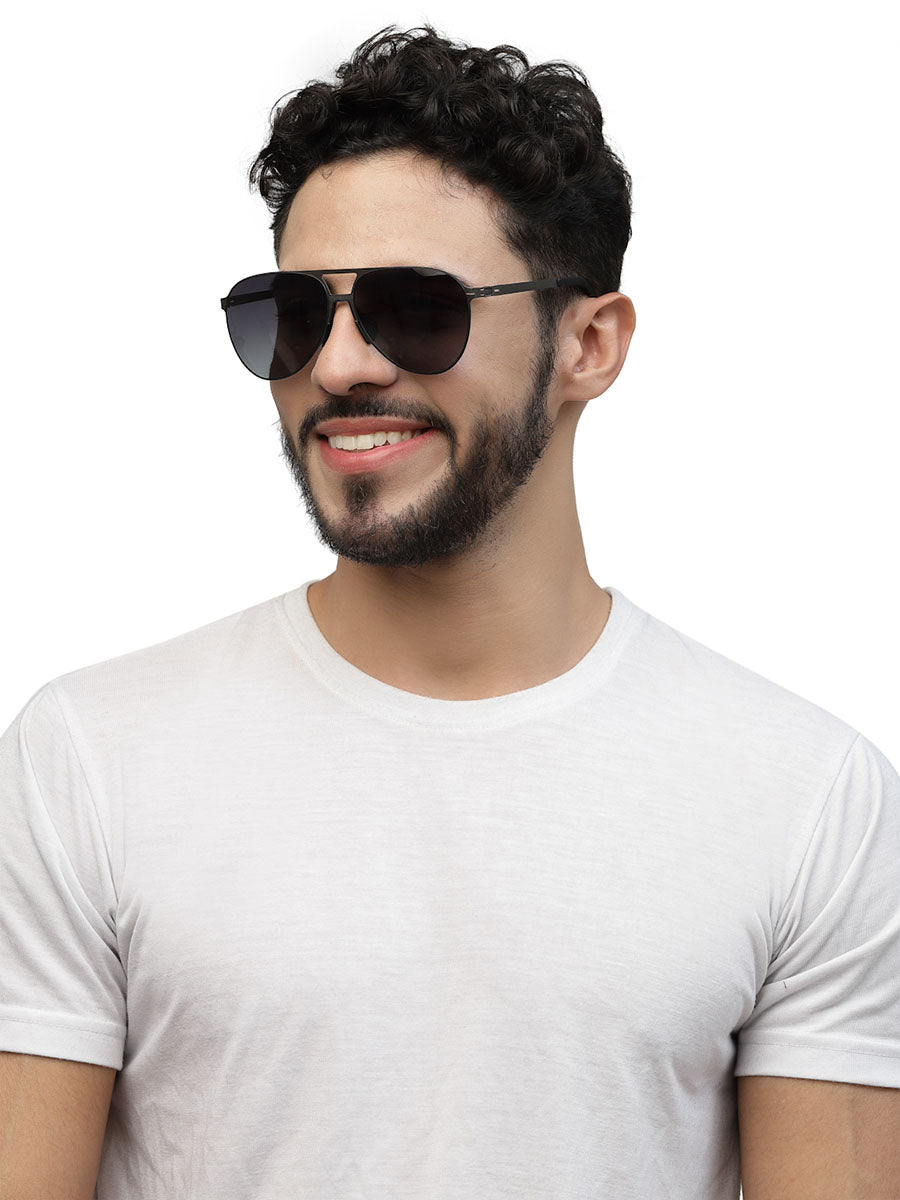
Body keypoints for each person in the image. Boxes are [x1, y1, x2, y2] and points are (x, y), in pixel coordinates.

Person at [1, 24, 898, 1200]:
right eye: (294, 314)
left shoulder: (807, 799)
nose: (340, 367)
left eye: (416, 307)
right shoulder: (87, 761)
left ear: (589, 343)